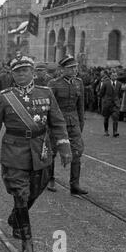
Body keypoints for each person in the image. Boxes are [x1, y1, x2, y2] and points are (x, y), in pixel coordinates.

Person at [0, 56, 71, 252]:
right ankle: (26, 240)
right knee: (21, 193)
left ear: (32, 72)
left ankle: (15, 217)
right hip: (14, 152)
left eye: (25, 70)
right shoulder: (4, 96)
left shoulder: (45, 93)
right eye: (17, 71)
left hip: (41, 150)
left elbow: (58, 122)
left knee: (37, 188)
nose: (21, 74)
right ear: (12, 74)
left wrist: (64, 148)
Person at [46, 55, 87, 194]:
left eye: (75, 67)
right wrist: (49, 125)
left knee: (77, 152)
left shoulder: (78, 83)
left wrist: (80, 124)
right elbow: (49, 107)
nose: (74, 70)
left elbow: (80, 106)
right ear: (62, 69)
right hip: (57, 124)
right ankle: (50, 179)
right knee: (52, 151)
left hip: (74, 123)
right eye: (71, 68)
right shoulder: (54, 84)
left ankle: (75, 185)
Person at [99, 70, 122, 137]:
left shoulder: (119, 84)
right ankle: (106, 131)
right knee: (106, 118)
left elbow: (120, 94)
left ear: (117, 76)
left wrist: (118, 101)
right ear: (110, 76)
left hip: (115, 104)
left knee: (115, 118)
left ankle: (115, 132)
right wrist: (105, 100)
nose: (114, 77)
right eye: (113, 75)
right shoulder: (106, 83)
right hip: (107, 104)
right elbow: (101, 93)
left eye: (115, 75)